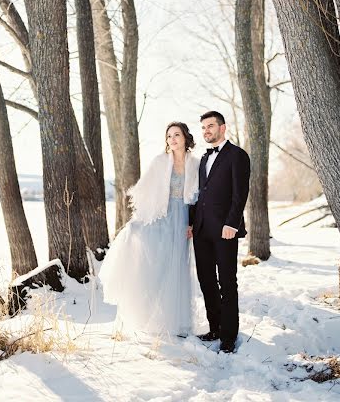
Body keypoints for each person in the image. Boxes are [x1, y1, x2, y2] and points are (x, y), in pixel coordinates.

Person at [99, 122, 200, 336]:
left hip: (183, 218)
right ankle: (152, 319)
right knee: (158, 266)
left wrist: (192, 223)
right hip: (161, 218)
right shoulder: (159, 162)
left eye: (176, 135)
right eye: (169, 135)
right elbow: (144, 190)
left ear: (185, 138)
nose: (172, 139)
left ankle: (178, 322)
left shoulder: (196, 164)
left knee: (178, 266)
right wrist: (141, 219)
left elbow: (199, 197)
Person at [189, 111, 250, 353]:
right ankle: (214, 327)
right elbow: (199, 196)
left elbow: (240, 194)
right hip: (202, 230)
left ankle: (228, 336)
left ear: (222, 128)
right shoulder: (204, 159)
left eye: (211, 126)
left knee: (227, 281)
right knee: (206, 281)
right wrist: (192, 222)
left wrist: (231, 224)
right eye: (203, 127)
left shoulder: (238, 156)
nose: (206, 131)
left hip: (225, 229)